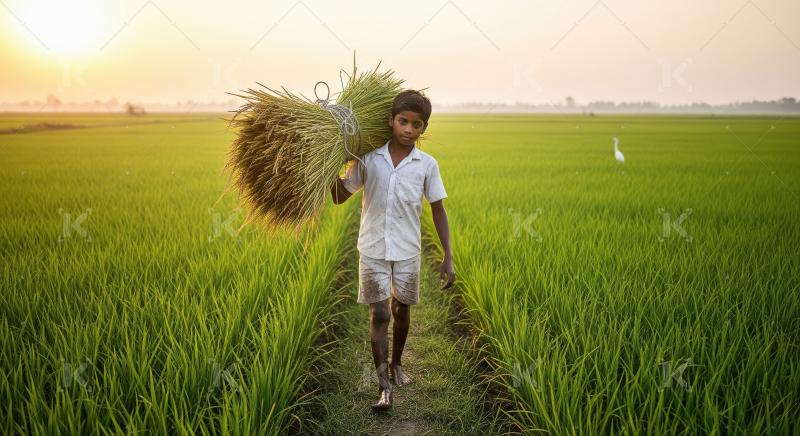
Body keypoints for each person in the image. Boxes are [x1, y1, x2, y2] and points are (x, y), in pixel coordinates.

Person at [329, 89, 455, 411]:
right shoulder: (369, 159)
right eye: (403, 121)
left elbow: (438, 209)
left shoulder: (426, 165)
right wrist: (329, 169)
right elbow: (340, 196)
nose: (409, 129)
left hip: (408, 250)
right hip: (372, 248)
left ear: (423, 128)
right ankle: (383, 386)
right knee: (380, 312)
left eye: (417, 124)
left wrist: (447, 256)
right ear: (391, 121)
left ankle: (397, 362)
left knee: (402, 310)